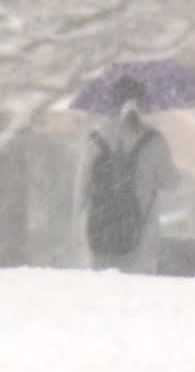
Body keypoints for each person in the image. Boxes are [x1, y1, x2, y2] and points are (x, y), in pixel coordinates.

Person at [75, 76, 179, 274]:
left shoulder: (95, 140)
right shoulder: (154, 141)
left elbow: (81, 190)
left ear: (112, 103)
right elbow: (170, 183)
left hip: (101, 231)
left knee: (103, 293)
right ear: (143, 103)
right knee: (139, 296)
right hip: (141, 236)